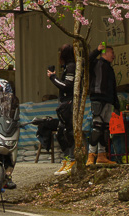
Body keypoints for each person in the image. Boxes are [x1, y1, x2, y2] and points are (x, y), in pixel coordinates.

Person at [87, 45, 119, 167]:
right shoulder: (96, 63)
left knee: (105, 129)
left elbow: (113, 88)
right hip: (98, 99)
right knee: (97, 127)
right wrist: (97, 50)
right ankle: (91, 155)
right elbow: (86, 60)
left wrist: (116, 104)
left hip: (108, 100)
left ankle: (102, 155)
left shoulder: (110, 69)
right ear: (105, 52)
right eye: (112, 52)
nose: (114, 55)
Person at [48, 44, 76, 175]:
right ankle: (66, 160)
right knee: (60, 133)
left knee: (68, 132)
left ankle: (72, 160)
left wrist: (53, 78)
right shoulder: (67, 67)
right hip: (64, 104)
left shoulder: (71, 67)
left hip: (69, 104)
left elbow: (66, 86)